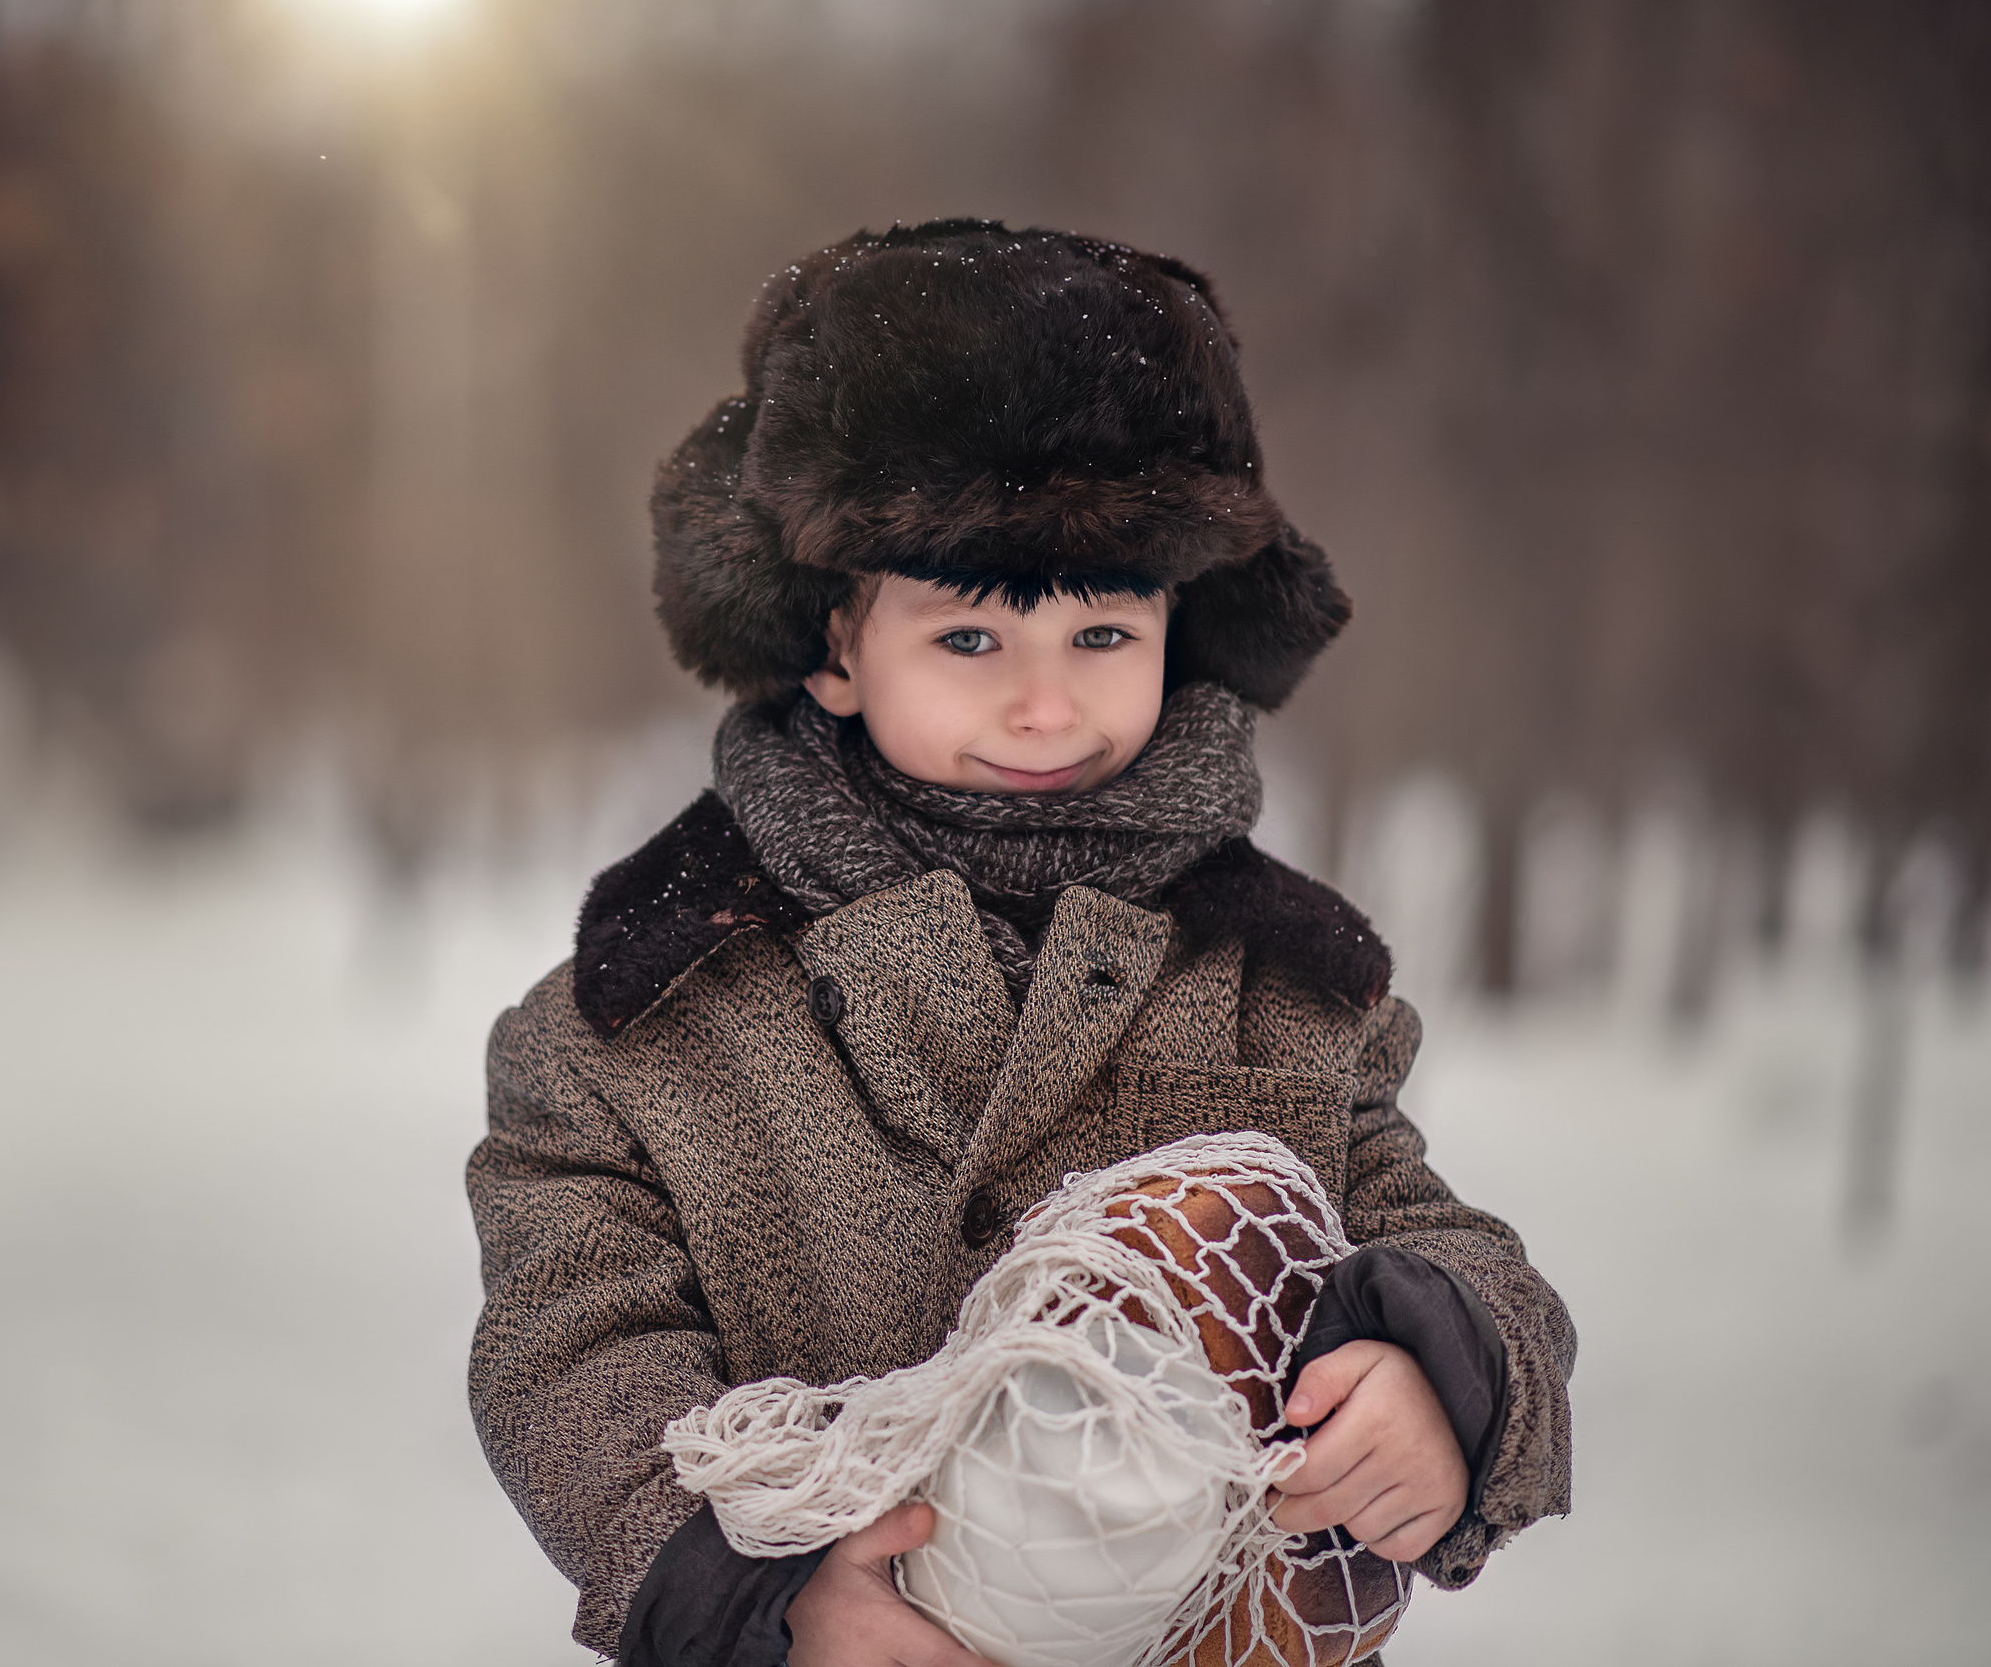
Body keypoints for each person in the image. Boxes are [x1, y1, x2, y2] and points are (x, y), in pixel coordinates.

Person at [466, 219, 1575, 1667]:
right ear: (834, 648)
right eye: (973, 641)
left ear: (1181, 622)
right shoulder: (644, 1018)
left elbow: (1436, 1238)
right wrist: (758, 1596)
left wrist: (1449, 1376)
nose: (1048, 708)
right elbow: (569, 1350)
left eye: (1104, 634)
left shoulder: (1287, 993)